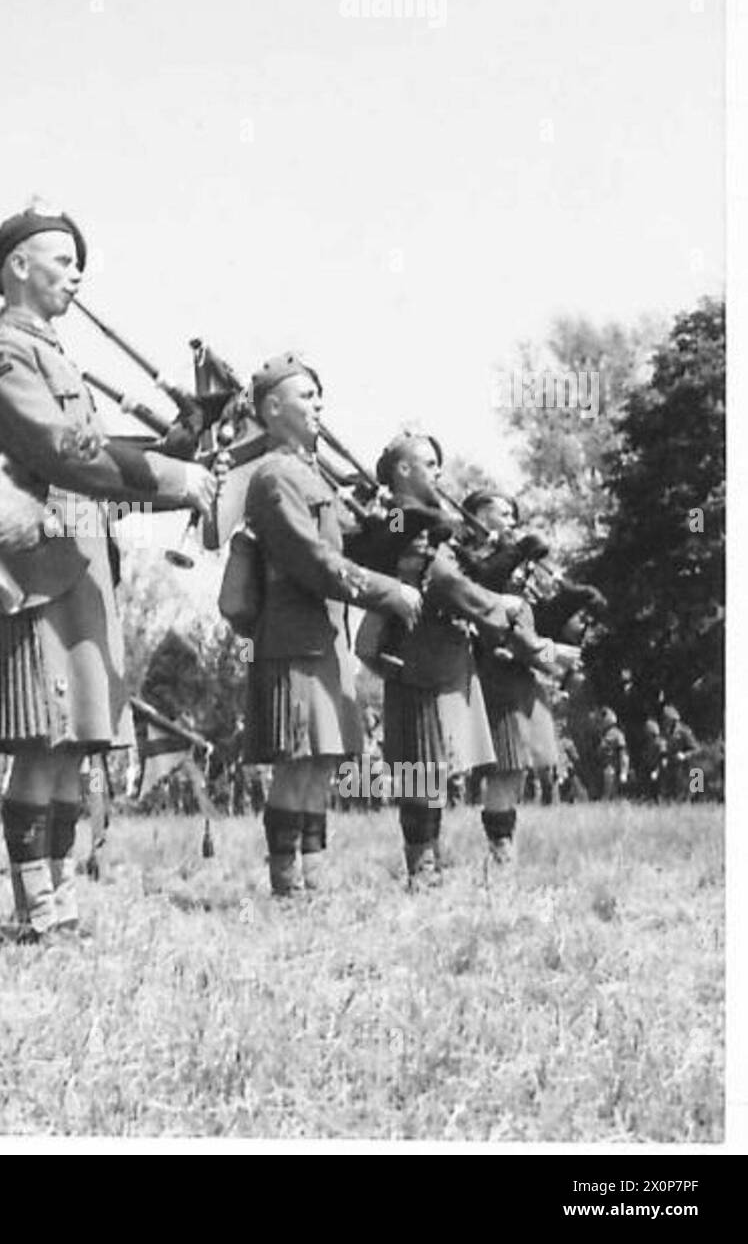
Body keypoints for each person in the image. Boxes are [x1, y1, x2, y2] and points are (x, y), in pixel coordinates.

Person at [0, 206, 215, 940]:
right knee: (41, 747)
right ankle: (35, 906)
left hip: (78, 565)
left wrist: (168, 451)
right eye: (61, 260)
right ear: (18, 267)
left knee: (74, 744)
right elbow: (63, 449)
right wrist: (167, 473)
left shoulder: (49, 353)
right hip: (35, 570)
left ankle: (62, 896)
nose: (75, 275)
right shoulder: (7, 353)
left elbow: (92, 451)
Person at [239, 354, 421, 895]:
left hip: (322, 638)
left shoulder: (310, 474)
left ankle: (313, 879)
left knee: (321, 764)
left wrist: (401, 520)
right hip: (292, 640)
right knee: (297, 765)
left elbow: (356, 542)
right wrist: (391, 593)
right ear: (273, 408)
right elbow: (313, 561)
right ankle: (287, 884)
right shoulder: (275, 477)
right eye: (306, 396)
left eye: (320, 396)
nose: (318, 405)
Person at [354, 435, 563, 887]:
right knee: (420, 767)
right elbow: (443, 580)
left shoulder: (427, 522)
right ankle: (423, 868)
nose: (438, 472)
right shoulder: (402, 520)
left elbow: (458, 573)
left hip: (442, 654)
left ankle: (429, 864)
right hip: (417, 655)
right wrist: (497, 607)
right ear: (404, 471)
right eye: (429, 463)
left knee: (431, 767)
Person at [459, 490, 578, 863]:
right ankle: (500, 853)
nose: (510, 519)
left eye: (513, 514)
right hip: (491, 667)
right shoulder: (464, 555)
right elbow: (476, 599)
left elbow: (530, 614)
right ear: (476, 513)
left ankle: (504, 847)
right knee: (505, 766)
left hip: (521, 670)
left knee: (519, 769)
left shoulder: (517, 564)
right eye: (501, 512)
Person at [659, 704, 698, 802]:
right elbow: (664, 745)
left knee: (691, 792)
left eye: (666, 719)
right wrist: (663, 756)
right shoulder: (665, 731)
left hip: (688, 766)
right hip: (673, 765)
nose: (665, 721)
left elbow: (696, 749)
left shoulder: (684, 731)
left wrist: (684, 755)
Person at [597, 708, 629, 801]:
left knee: (609, 795)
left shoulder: (617, 734)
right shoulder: (604, 734)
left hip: (612, 769)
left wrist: (624, 772)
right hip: (602, 766)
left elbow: (623, 754)